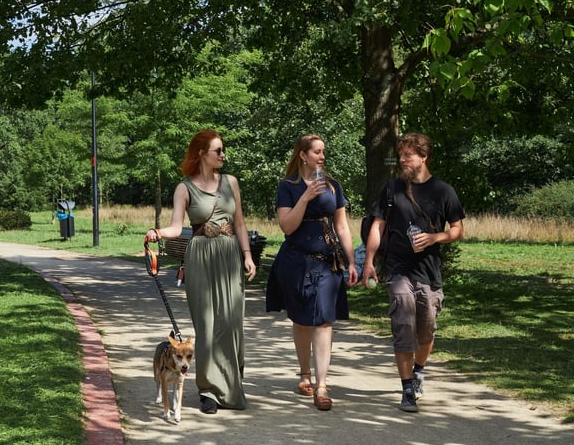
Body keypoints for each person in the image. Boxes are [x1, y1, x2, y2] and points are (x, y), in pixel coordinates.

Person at [144, 129, 257, 415]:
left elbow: (241, 223)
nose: (223, 155)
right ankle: (208, 392)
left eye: (223, 150)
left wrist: (247, 255)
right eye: (217, 150)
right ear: (201, 154)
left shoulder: (231, 182)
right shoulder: (185, 188)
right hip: (200, 256)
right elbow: (176, 227)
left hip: (229, 255)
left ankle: (231, 386)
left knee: (231, 325)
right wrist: (157, 233)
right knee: (206, 328)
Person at [360, 132, 465, 413]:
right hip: (398, 268)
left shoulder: (444, 191)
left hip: (429, 271)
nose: (403, 159)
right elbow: (378, 226)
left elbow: (457, 230)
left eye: (408, 155)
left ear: (423, 156)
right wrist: (369, 261)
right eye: (401, 154)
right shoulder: (392, 189)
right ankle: (407, 388)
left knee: (426, 327)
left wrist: (434, 238)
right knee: (403, 321)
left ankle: (419, 369)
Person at [265, 134, 358, 411]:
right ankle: (304, 373)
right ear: (303, 155)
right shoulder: (288, 187)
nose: (322, 157)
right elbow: (287, 227)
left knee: (325, 321)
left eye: (323, 152)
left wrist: (352, 262)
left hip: (328, 263)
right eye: (317, 152)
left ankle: (321, 385)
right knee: (302, 320)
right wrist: (305, 197)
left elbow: (342, 226)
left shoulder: (333, 187)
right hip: (296, 262)